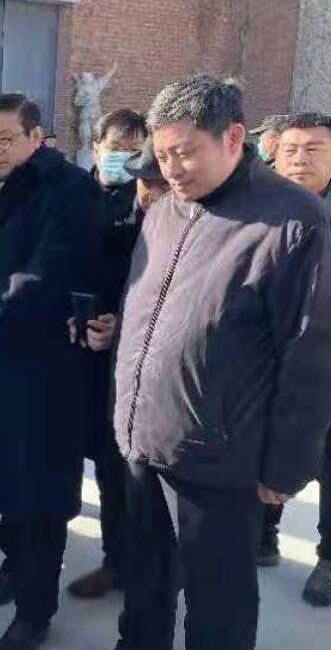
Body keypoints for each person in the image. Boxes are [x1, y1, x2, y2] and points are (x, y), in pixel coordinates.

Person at [111, 75, 331, 650]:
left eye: (184, 153)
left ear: (233, 138)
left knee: (218, 602)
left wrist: (286, 467)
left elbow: (310, 357)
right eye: (162, 155)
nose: (171, 169)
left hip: (218, 456)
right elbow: (148, 309)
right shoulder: (165, 210)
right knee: (146, 580)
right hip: (143, 438)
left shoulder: (294, 223)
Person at [0, 93, 104, 650]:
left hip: (44, 369)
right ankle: (13, 568)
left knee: (40, 494)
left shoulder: (68, 189)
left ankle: (35, 612)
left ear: (36, 137)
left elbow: (50, 273)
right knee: (3, 479)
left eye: (4, 138)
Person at [64, 109, 148, 600]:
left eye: (135, 150)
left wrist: (122, 323)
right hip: (73, 348)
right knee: (83, 457)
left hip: (128, 353)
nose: (125, 159)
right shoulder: (72, 194)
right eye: (117, 148)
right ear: (95, 148)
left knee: (122, 470)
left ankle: (125, 563)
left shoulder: (150, 200)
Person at [259, 111, 331, 606]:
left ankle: (328, 557)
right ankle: (264, 533)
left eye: (313, 149)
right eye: (290, 149)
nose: (299, 159)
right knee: (267, 444)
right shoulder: (260, 208)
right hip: (268, 358)